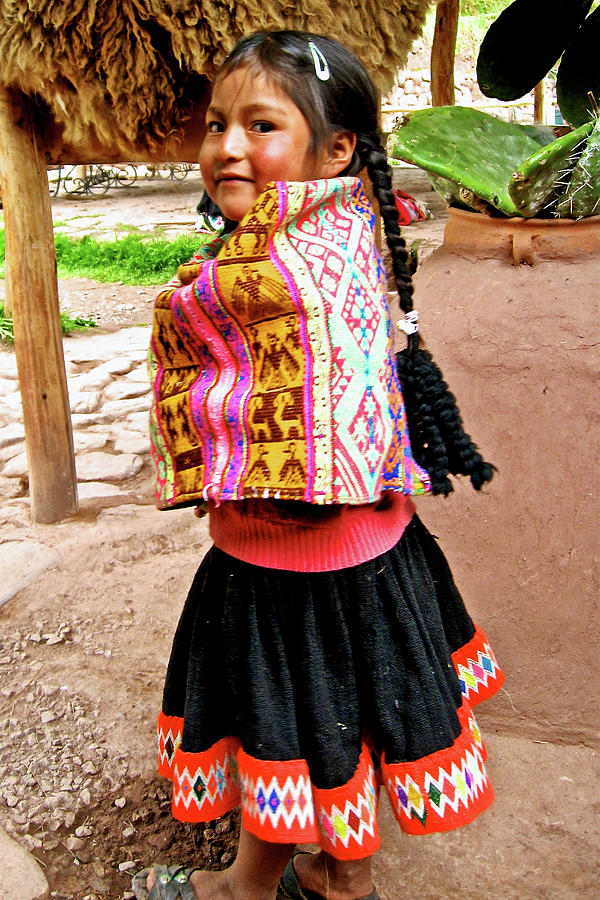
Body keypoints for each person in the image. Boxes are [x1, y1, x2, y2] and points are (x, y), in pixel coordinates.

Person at [134, 30, 503, 900]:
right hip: (379, 561)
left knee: (285, 732)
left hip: (282, 570)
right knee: (352, 724)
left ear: (336, 150)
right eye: (216, 123)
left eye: (260, 125)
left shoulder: (273, 271)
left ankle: (247, 889)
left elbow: (271, 403)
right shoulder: (345, 230)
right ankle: (340, 883)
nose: (225, 145)